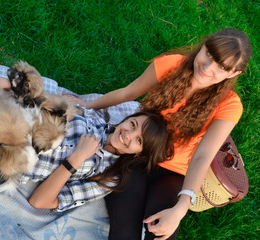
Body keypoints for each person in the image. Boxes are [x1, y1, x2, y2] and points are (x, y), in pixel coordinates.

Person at [64, 28, 252, 239]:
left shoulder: (229, 105)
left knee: (162, 234)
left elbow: (203, 155)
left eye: (222, 66)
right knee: (125, 232)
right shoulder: (172, 65)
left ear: (234, 73)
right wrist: (88, 105)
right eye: (209, 54)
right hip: (138, 153)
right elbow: (129, 92)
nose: (208, 68)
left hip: (173, 174)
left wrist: (181, 208)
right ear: (203, 46)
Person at [0, 78, 171, 212]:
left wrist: (75, 159)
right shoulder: (97, 119)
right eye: (133, 125)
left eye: (138, 142)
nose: (128, 135)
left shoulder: (107, 178)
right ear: (130, 117)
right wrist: (5, 85)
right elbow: (43, 102)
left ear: (140, 154)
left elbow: (40, 201)